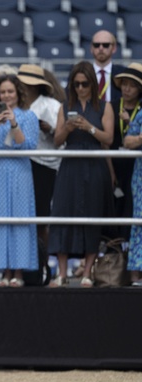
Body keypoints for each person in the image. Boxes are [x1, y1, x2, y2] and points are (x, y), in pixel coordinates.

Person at [48, 61, 115, 288]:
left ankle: (87, 272)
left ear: (92, 84)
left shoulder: (104, 107)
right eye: (75, 84)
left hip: (94, 165)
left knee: (92, 214)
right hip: (71, 165)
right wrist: (67, 128)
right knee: (62, 213)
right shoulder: (64, 106)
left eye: (84, 84)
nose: (80, 88)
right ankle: (62, 273)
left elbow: (109, 139)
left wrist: (89, 127)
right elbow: (57, 141)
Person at [0, 74, 40, 287]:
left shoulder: (28, 116)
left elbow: (28, 145)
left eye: (10, 91)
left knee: (20, 220)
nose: (6, 95)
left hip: (20, 173)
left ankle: (19, 272)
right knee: (0, 219)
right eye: (3, 92)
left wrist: (14, 123)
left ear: (18, 93)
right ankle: (4, 271)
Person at [17, 64, 65, 249]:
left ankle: (42, 259)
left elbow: (63, 140)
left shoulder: (52, 106)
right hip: (20, 164)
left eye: (27, 84)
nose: (24, 87)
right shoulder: (14, 105)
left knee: (40, 216)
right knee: (19, 216)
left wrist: (50, 129)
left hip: (44, 165)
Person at [108, 63, 142, 242]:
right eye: (124, 84)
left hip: (136, 167)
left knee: (132, 207)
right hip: (114, 164)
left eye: (132, 85)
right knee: (112, 207)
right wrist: (110, 170)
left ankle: (129, 250)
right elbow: (105, 142)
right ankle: (112, 251)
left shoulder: (141, 110)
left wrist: (130, 123)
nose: (127, 89)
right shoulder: (111, 106)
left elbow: (133, 137)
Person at [120, 64, 142, 285]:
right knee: (139, 221)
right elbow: (128, 141)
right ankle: (136, 273)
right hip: (140, 176)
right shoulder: (141, 113)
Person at [90, 30, 126, 104]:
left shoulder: (123, 73)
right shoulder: (82, 73)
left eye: (105, 45)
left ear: (114, 48)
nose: (101, 48)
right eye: (96, 45)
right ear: (91, 48)